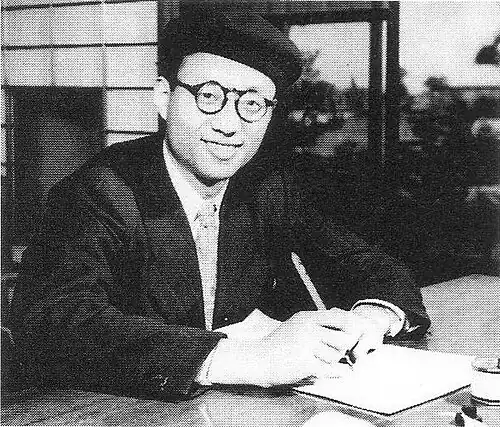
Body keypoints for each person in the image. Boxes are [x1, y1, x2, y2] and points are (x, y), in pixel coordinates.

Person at [9, 5, 430, 400]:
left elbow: (365, 261)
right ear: (163, 97)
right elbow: (52, 321)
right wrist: (250, 359)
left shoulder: (267, 185)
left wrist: (371, 318)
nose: (230, 125)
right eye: (209, 97)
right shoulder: (98, 192)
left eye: (252, 104)